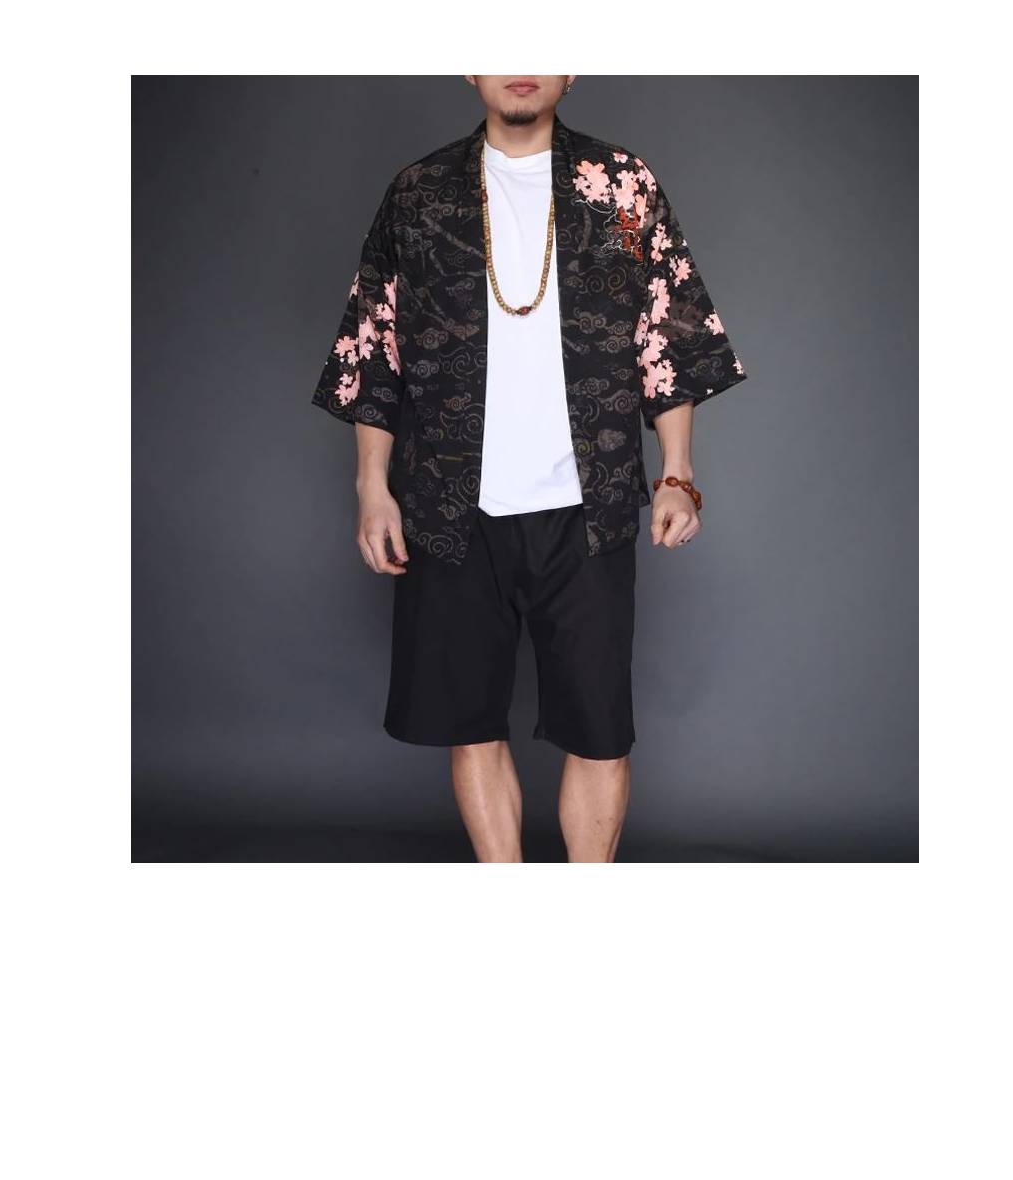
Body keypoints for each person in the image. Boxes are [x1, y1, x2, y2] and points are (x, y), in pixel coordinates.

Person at [312, 76, 747, 862]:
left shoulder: (621, 183)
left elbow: (669, 333)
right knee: (470, 726)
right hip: (448, 506)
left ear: (572, 69)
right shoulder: (418, 193)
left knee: (601, 732)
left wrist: (677, 474)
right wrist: (372, 488)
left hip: (590, 504)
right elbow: (376, 349)